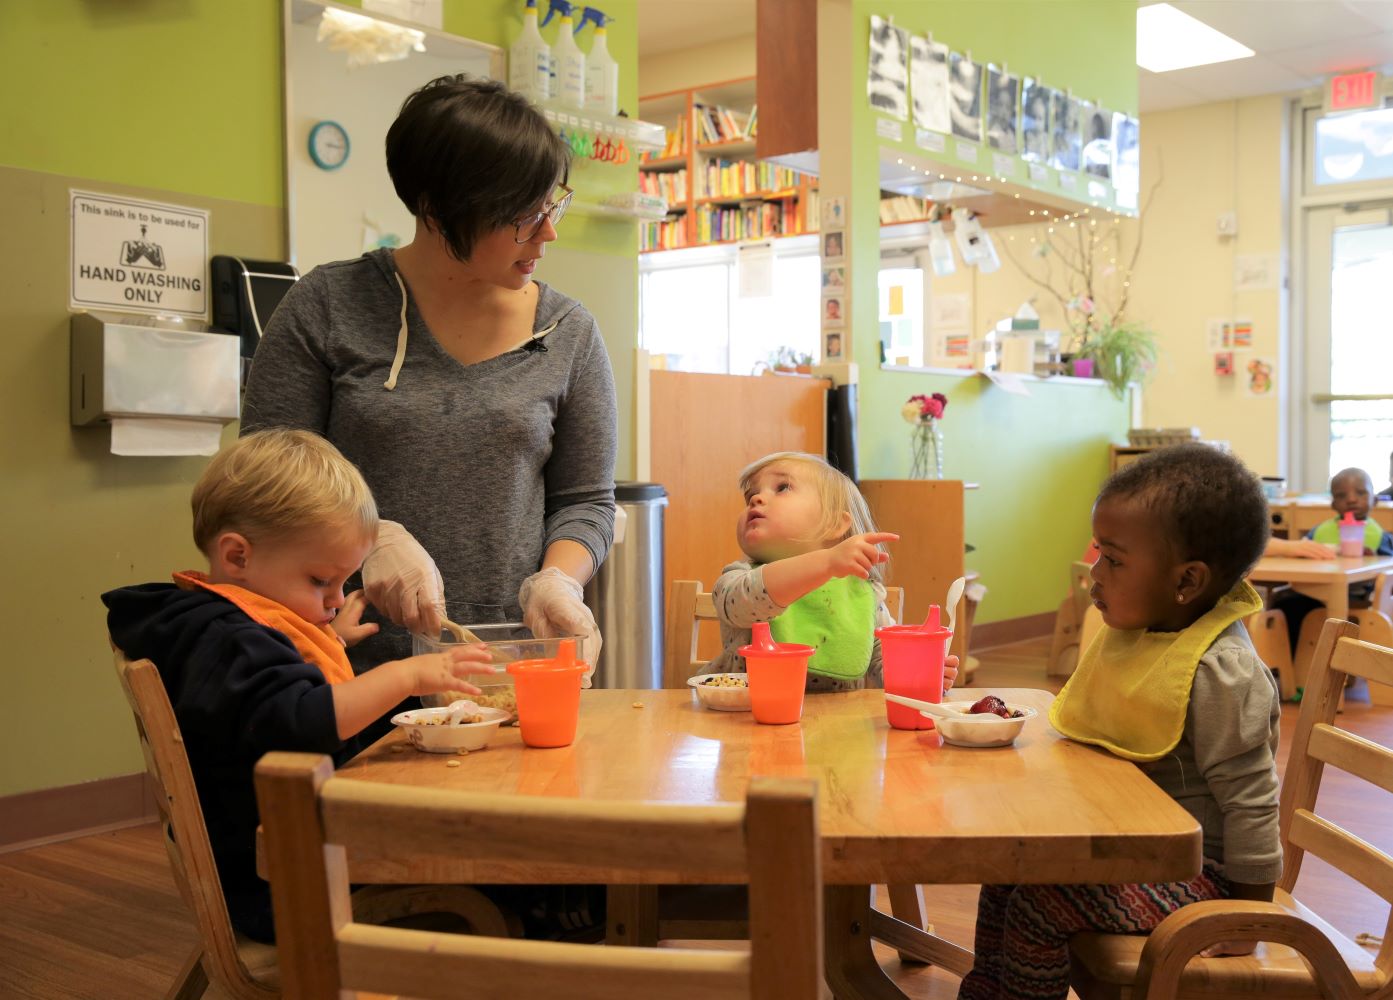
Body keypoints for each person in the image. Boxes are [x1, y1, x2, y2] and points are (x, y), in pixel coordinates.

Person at [241, 75, 616, 683]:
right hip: (339, 672)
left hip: (502, 671)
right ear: (439, 211)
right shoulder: (328, 305)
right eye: (524, 216)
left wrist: (559, 580)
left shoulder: (568, 333)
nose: (548, 232)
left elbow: (584, 501)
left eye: (552, 205)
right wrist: (371, 536)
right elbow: (265, 473)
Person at [102, 430, 495, 943]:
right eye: (319, 581)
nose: (334, 599)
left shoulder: (211, 625)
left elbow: (260, 696)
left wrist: (325, 639)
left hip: (277, 860)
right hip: (283, 883)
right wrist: (405, 676)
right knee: (487, 863)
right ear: (237, 557)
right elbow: (300, 721)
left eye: (342, 584)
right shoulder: (227, 640)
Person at [960, 444, 1281, 1000]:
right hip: (1133, 850)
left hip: (1202, 878)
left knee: (1041, 905)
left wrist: (1247, 917)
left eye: (1113, 559)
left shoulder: (1219, 672)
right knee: (1008, 870)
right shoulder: (1145, 629)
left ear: (1186, 583)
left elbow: (1253, 803)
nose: (1093, 574)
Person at [710, 452, 958, 692]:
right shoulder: (736, 579)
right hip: (746, 725)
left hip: (841, 728)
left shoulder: (863, 594)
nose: (757, 499)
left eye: (782, 487)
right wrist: (826, 562)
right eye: (751, 494)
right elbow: (748, 601)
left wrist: (923, 673)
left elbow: (884, 664)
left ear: (834, 524)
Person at [1268, 466, 1393, 651]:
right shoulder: (1319, 531)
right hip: (1315, 591)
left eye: (1360, 493)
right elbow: (1301, 552)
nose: (1351, 499)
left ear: (1374, 500)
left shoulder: (1381, 538)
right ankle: (1290, 663)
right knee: (1283, 602)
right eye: (1342, 496)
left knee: (1292, 606)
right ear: (1333, 504)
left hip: (1357, 598)